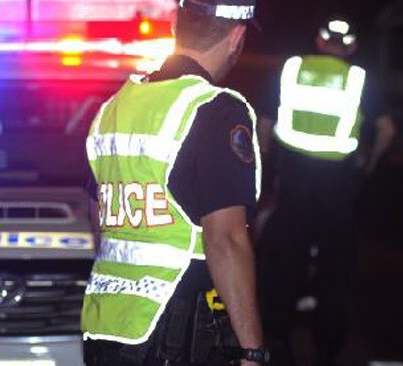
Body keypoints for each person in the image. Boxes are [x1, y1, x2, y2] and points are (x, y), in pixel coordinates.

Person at [81, 0, 268, 365]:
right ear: (237, 37)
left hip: (105, 328)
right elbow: (226, 240)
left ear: (175, 27)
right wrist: (252, 349)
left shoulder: (113, 108)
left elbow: (98, 217)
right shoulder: (216, 109)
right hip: (175, 335)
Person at [257, 16, 396, 366]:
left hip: (293, 183)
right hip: (337, 188)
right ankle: (327, 347)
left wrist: (265, 164)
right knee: (335, 269)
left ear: (320, 42)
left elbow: (264, 124)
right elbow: (387, 131)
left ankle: (277, 339)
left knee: (285, 263)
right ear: (350, 46)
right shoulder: (360, 79)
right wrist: (368, 164)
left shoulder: (291, 69)